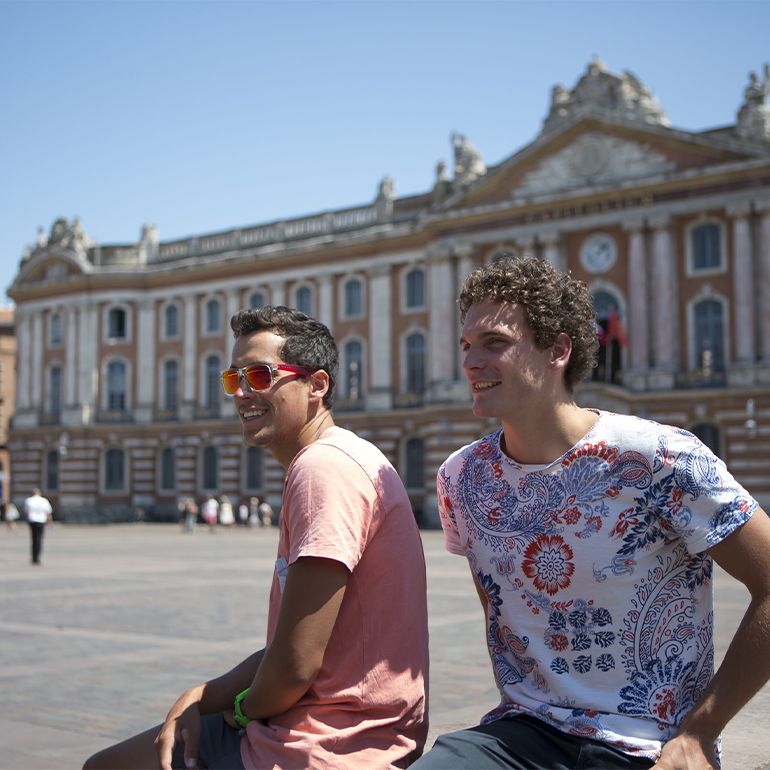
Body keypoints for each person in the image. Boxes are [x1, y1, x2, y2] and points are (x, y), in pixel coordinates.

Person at [412, 256, 770, 770]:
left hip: (648, 747)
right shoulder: (461, 478)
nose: (470, 361)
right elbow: (504, 615)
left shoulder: (659, 456)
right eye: (467, 345)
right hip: (519, 737)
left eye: (495, 342)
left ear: (557, 350)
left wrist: (699, 733)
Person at [84, 305, 429, 770]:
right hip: (350, 730)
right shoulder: (344, 457)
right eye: (234, 379)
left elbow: (294, 666)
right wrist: (202, 697)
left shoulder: (322, 468)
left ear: (317, 385)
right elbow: (292, 646)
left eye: (261, 376)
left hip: (327, 745)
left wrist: (238, 711)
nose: (243, 392)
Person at [23, 488, 53, 565]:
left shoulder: (29, 500)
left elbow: (26, 511)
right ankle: (37, 557)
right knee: (39, 539)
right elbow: (48, 513)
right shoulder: (44, 500)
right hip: (41, 521)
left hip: (32, 520)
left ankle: (33, 557)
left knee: (33, 538)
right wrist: (50, 523)